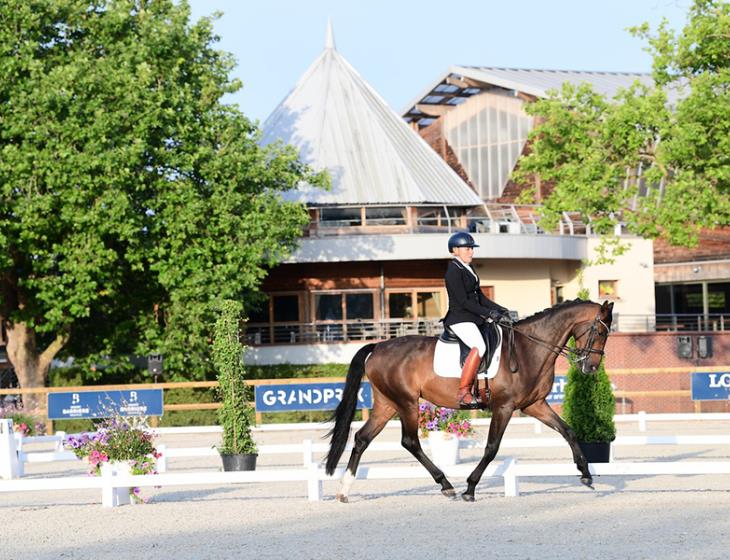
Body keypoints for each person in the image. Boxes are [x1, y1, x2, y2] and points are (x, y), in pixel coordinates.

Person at [443, 231, 510, 408]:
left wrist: (500, 309)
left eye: (472, 249)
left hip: (472, 317)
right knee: (479, 346)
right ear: (455, 250)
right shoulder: (453, 271)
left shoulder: (468, 268)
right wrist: (488, 314)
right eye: (467, 249)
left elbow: (479, 297)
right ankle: (464, 391)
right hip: (459, 318)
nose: (471, 252)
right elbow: (463, 301)